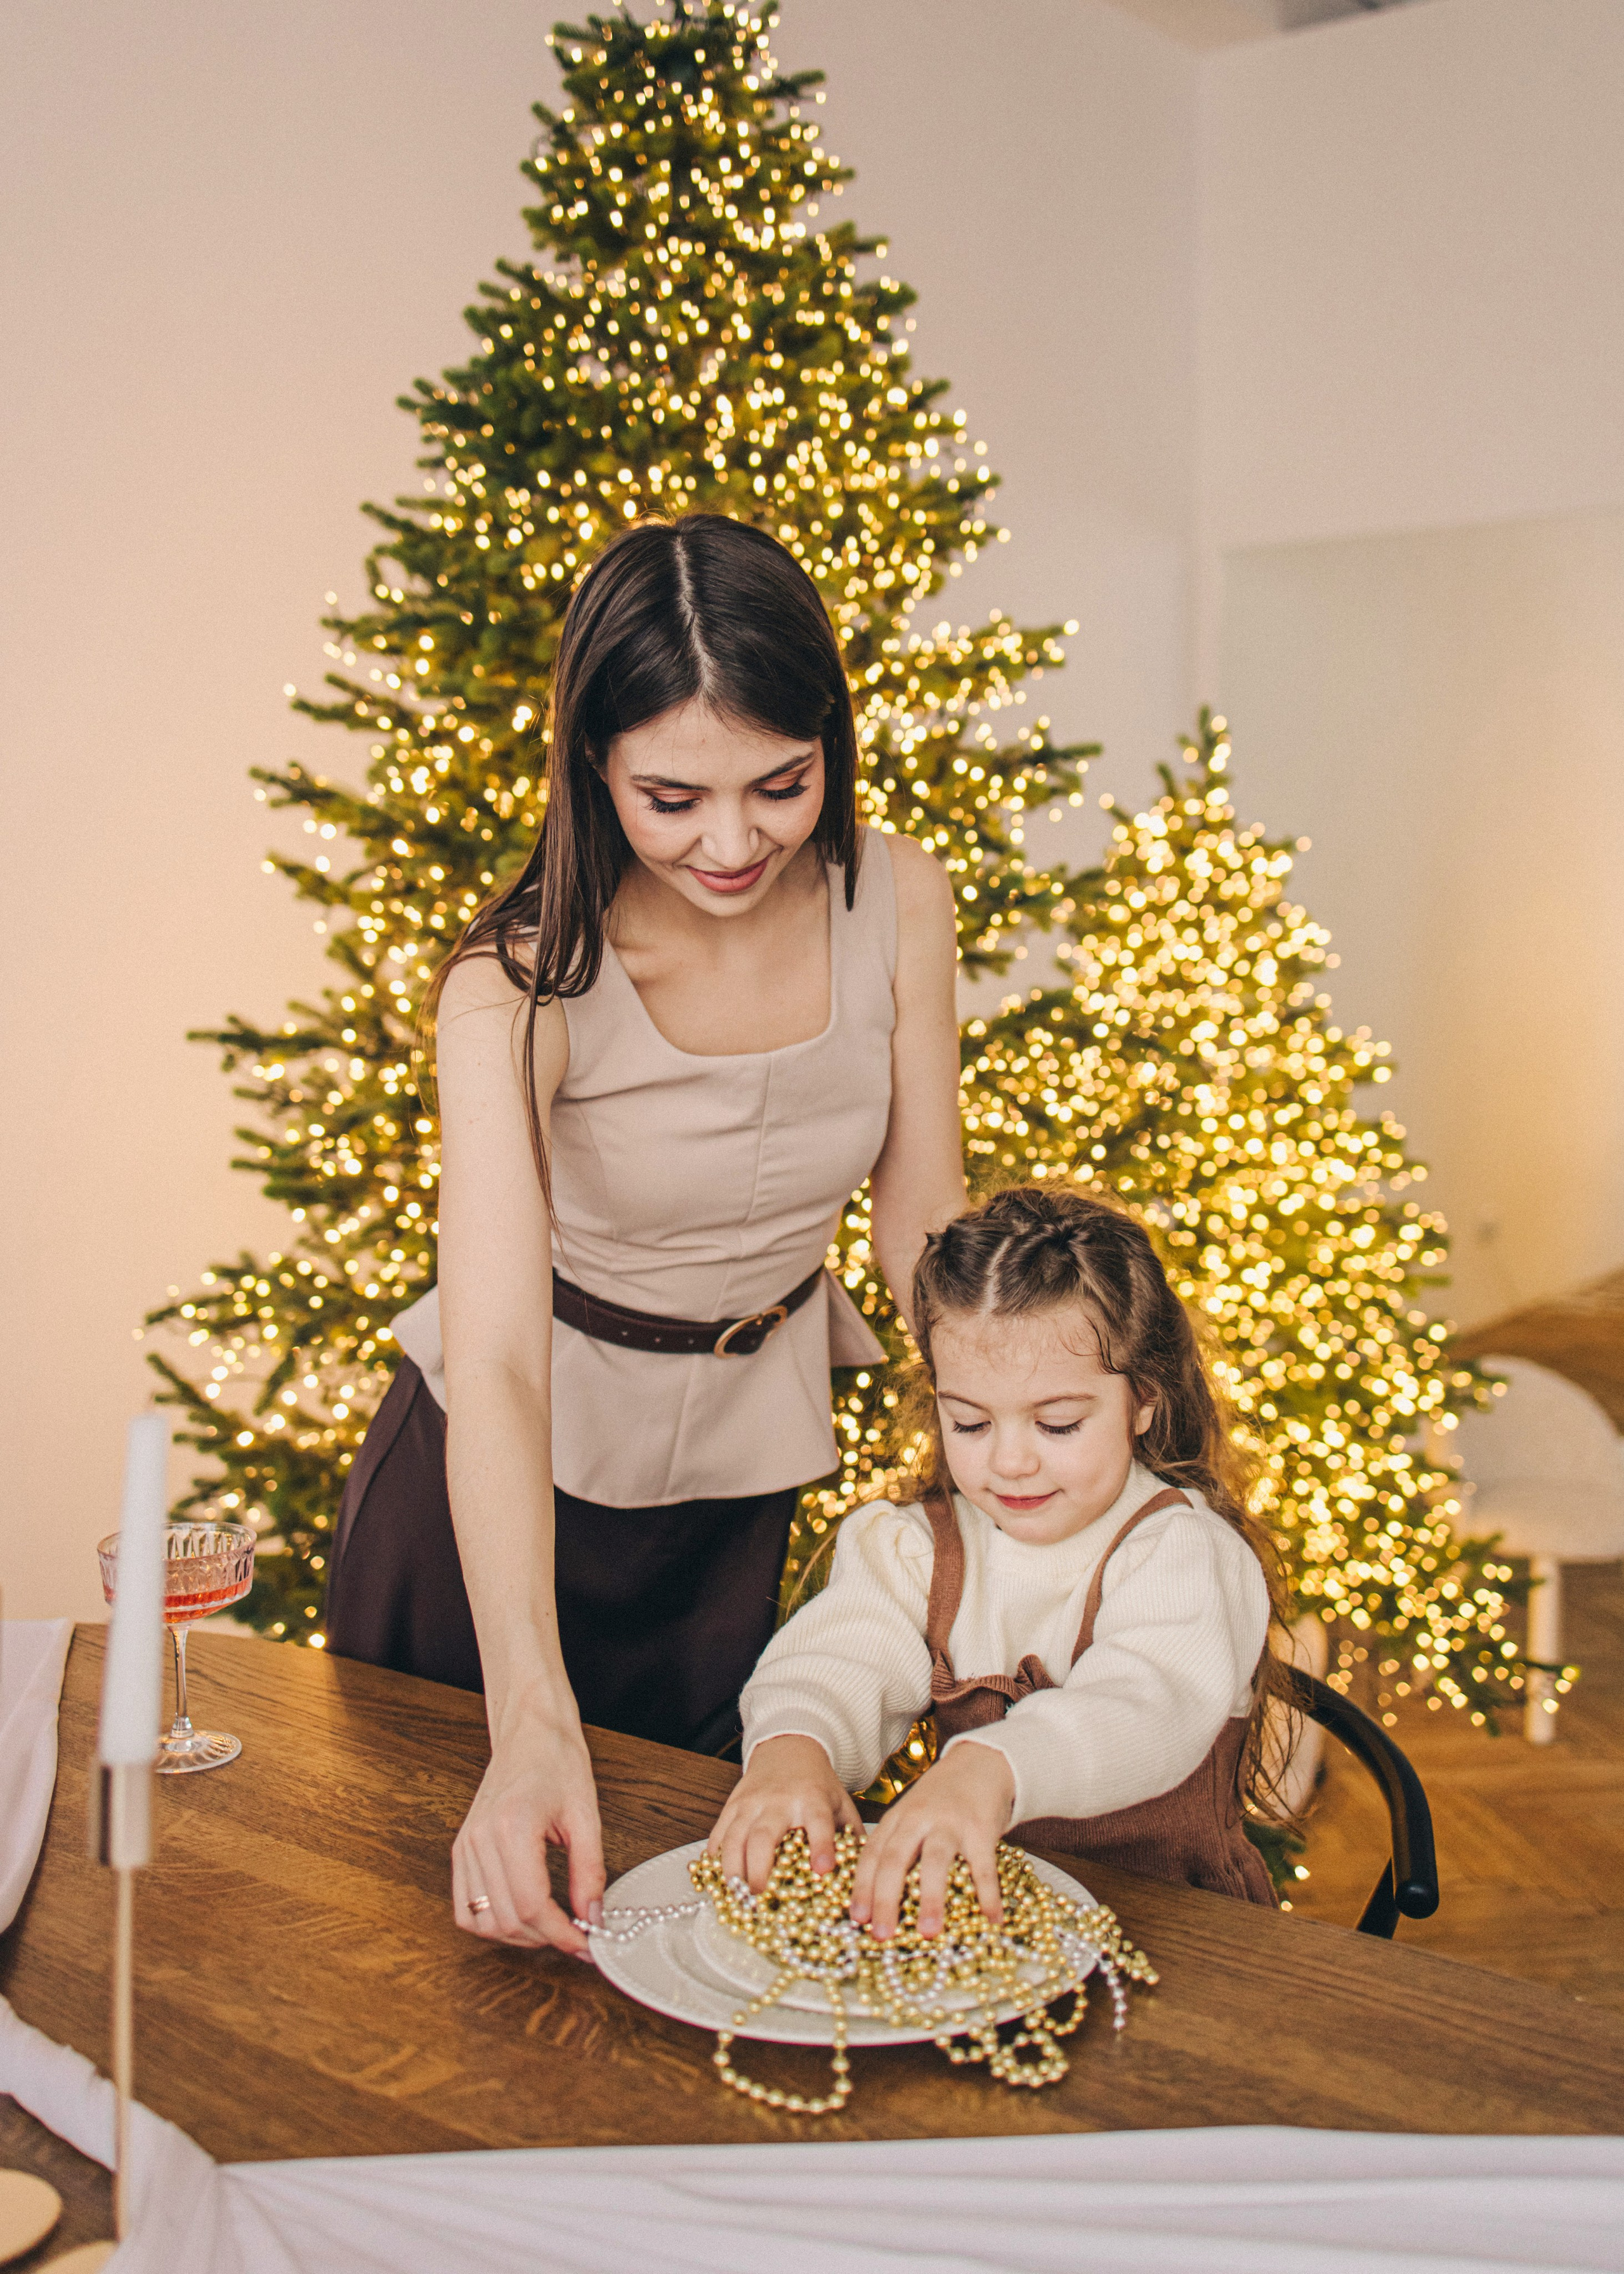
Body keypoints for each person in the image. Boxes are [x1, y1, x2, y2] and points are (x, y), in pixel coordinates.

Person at [323, 513, 966, 1955]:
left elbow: (923, 1221)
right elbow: (495, 1357)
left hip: (734, 1491)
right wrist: (529, 1714)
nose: (732, 842)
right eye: (672, 798)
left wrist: (1017, 1444)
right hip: (495, 1506)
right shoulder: (512, 986)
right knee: (438, 1948)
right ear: (592, 768)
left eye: (781, 784)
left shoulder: (897, 894)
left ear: (829, 740)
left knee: (693, 1925)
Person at [710, 1183, 1285, 1936]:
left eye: (1057, 1423)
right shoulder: (917, 1548)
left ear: (1143, 1399)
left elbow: (1145, 1703)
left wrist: (988, 1768)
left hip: (1180, 1935)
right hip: (985, 1927)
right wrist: (795, 1744)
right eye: (971, 1422)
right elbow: (840, 1656)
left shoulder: (1183, 1553)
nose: (1011, 1461)